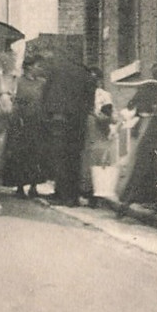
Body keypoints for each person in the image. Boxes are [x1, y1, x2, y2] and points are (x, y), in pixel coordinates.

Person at [40, 50, 94, 206]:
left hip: (58, 119)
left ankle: (61, 195)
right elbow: (90, 100)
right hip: (78, 122)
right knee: (74, 157)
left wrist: (45, 116)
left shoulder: (56, 70)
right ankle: (73, 197)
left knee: (59, 157)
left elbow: (45, 94)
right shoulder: (86, 74)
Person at [118, 64, 157, 212]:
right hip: (154, 128)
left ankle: (131, 198)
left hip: (146, 127)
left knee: (142, 163)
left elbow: (132, 107)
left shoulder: (146, 87)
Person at [2, 54, 49, 198]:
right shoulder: (19, 82)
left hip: (38, 123)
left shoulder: (42, 83)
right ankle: (20, 187)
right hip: (21, 124)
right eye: (37, 66)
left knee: (37, 156)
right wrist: (17, 119)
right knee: (21, 156)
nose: (39, 69)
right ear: (29, 67)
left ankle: (34, 186)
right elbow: (14, 102)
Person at [80, 68, 118, 207]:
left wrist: (96, 114)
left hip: (99, 131)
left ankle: (96, 195)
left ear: (99, 80)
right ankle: (86, 191)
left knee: (98, 160)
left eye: (95, 79)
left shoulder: (104, 95)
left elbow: (108, 116)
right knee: (86, 160)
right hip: (87, 130)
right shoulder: (83, 95)